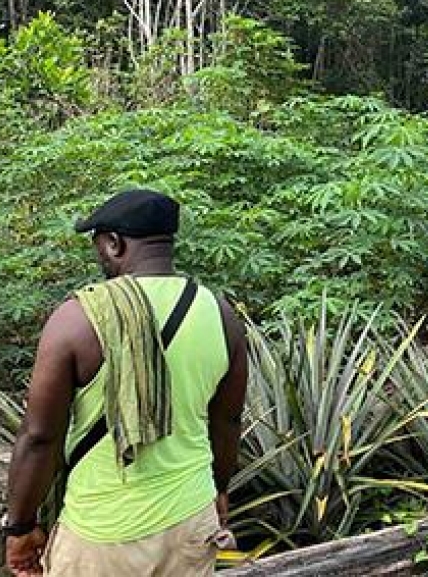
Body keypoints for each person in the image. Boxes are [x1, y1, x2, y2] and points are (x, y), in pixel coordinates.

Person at [5, 189, 248, 577]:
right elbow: (227, 423)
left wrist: (19, 527)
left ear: (114, 243)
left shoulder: (78, 318)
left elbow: (39, 437)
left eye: (98, 243)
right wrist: (218, 491)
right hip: (190, 519)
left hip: (102, 532)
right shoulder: (220, 314)